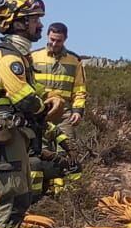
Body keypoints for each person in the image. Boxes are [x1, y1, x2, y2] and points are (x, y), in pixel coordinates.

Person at [0, 0, 57, 228]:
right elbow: (24, 98)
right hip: (8, 133)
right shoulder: (8, 58)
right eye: (34, 19)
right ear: (19, 23)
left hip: (17, 134)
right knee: (12, 198)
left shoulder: (20, 58)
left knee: (21, 198)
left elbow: (32, 92)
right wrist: (44, 108)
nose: (40, 25)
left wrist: (51, 97)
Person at [30, 21, 88, 191]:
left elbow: (80, 89)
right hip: (41, 112)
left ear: (65, 39)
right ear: (47, 36)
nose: (54, 44)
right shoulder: (34, 57)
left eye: (59, 41)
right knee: (42, 151)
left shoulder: (74, 60)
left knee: (69, 149)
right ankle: (43, 192)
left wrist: (78, 110)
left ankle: (69, 191)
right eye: (52, 39)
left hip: (65, 114)